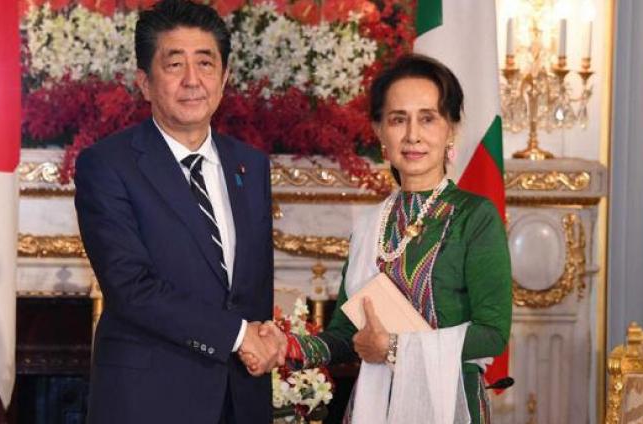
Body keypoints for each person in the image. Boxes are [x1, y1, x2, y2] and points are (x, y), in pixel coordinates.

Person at [248, 54, 512, 423]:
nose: (413, 135)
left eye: (428, 118)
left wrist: (392, 347)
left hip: (450, 405)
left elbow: (493, 334)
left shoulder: (474, 216)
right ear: (379, 131)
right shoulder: (372, 223)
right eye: (398, 119)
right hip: (378, 406)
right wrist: (289, 345)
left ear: (451, 129)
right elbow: (345, 335)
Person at [74, 1, 285, 422]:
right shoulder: (108, 164)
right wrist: (240, 335)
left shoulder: (251, 164)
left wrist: (265, 337)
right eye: (174, 65)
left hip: (239, 398)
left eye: (206, 64)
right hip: (148, 400)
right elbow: (131, 287)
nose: (193, 80)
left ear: (224, 78)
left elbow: (253, 285)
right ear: (144, 82)